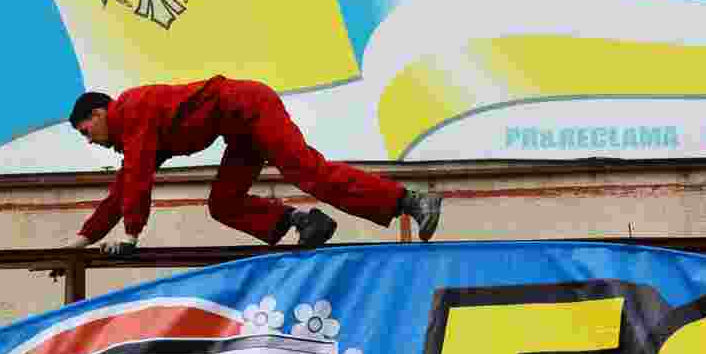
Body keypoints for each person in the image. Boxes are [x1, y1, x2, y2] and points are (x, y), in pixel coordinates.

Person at [65, 76, 442, 254]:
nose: (90, 140)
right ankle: (304, 221)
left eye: (87, 131)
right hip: (237, 127)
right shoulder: (133, 131)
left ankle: (412, 201)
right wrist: (81, 241)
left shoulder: (131, 111)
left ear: (99, 113)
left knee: (308, 172)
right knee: (224, 203)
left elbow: (138, 182)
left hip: (249, 107)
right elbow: (125, 187)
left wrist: (131, 236)